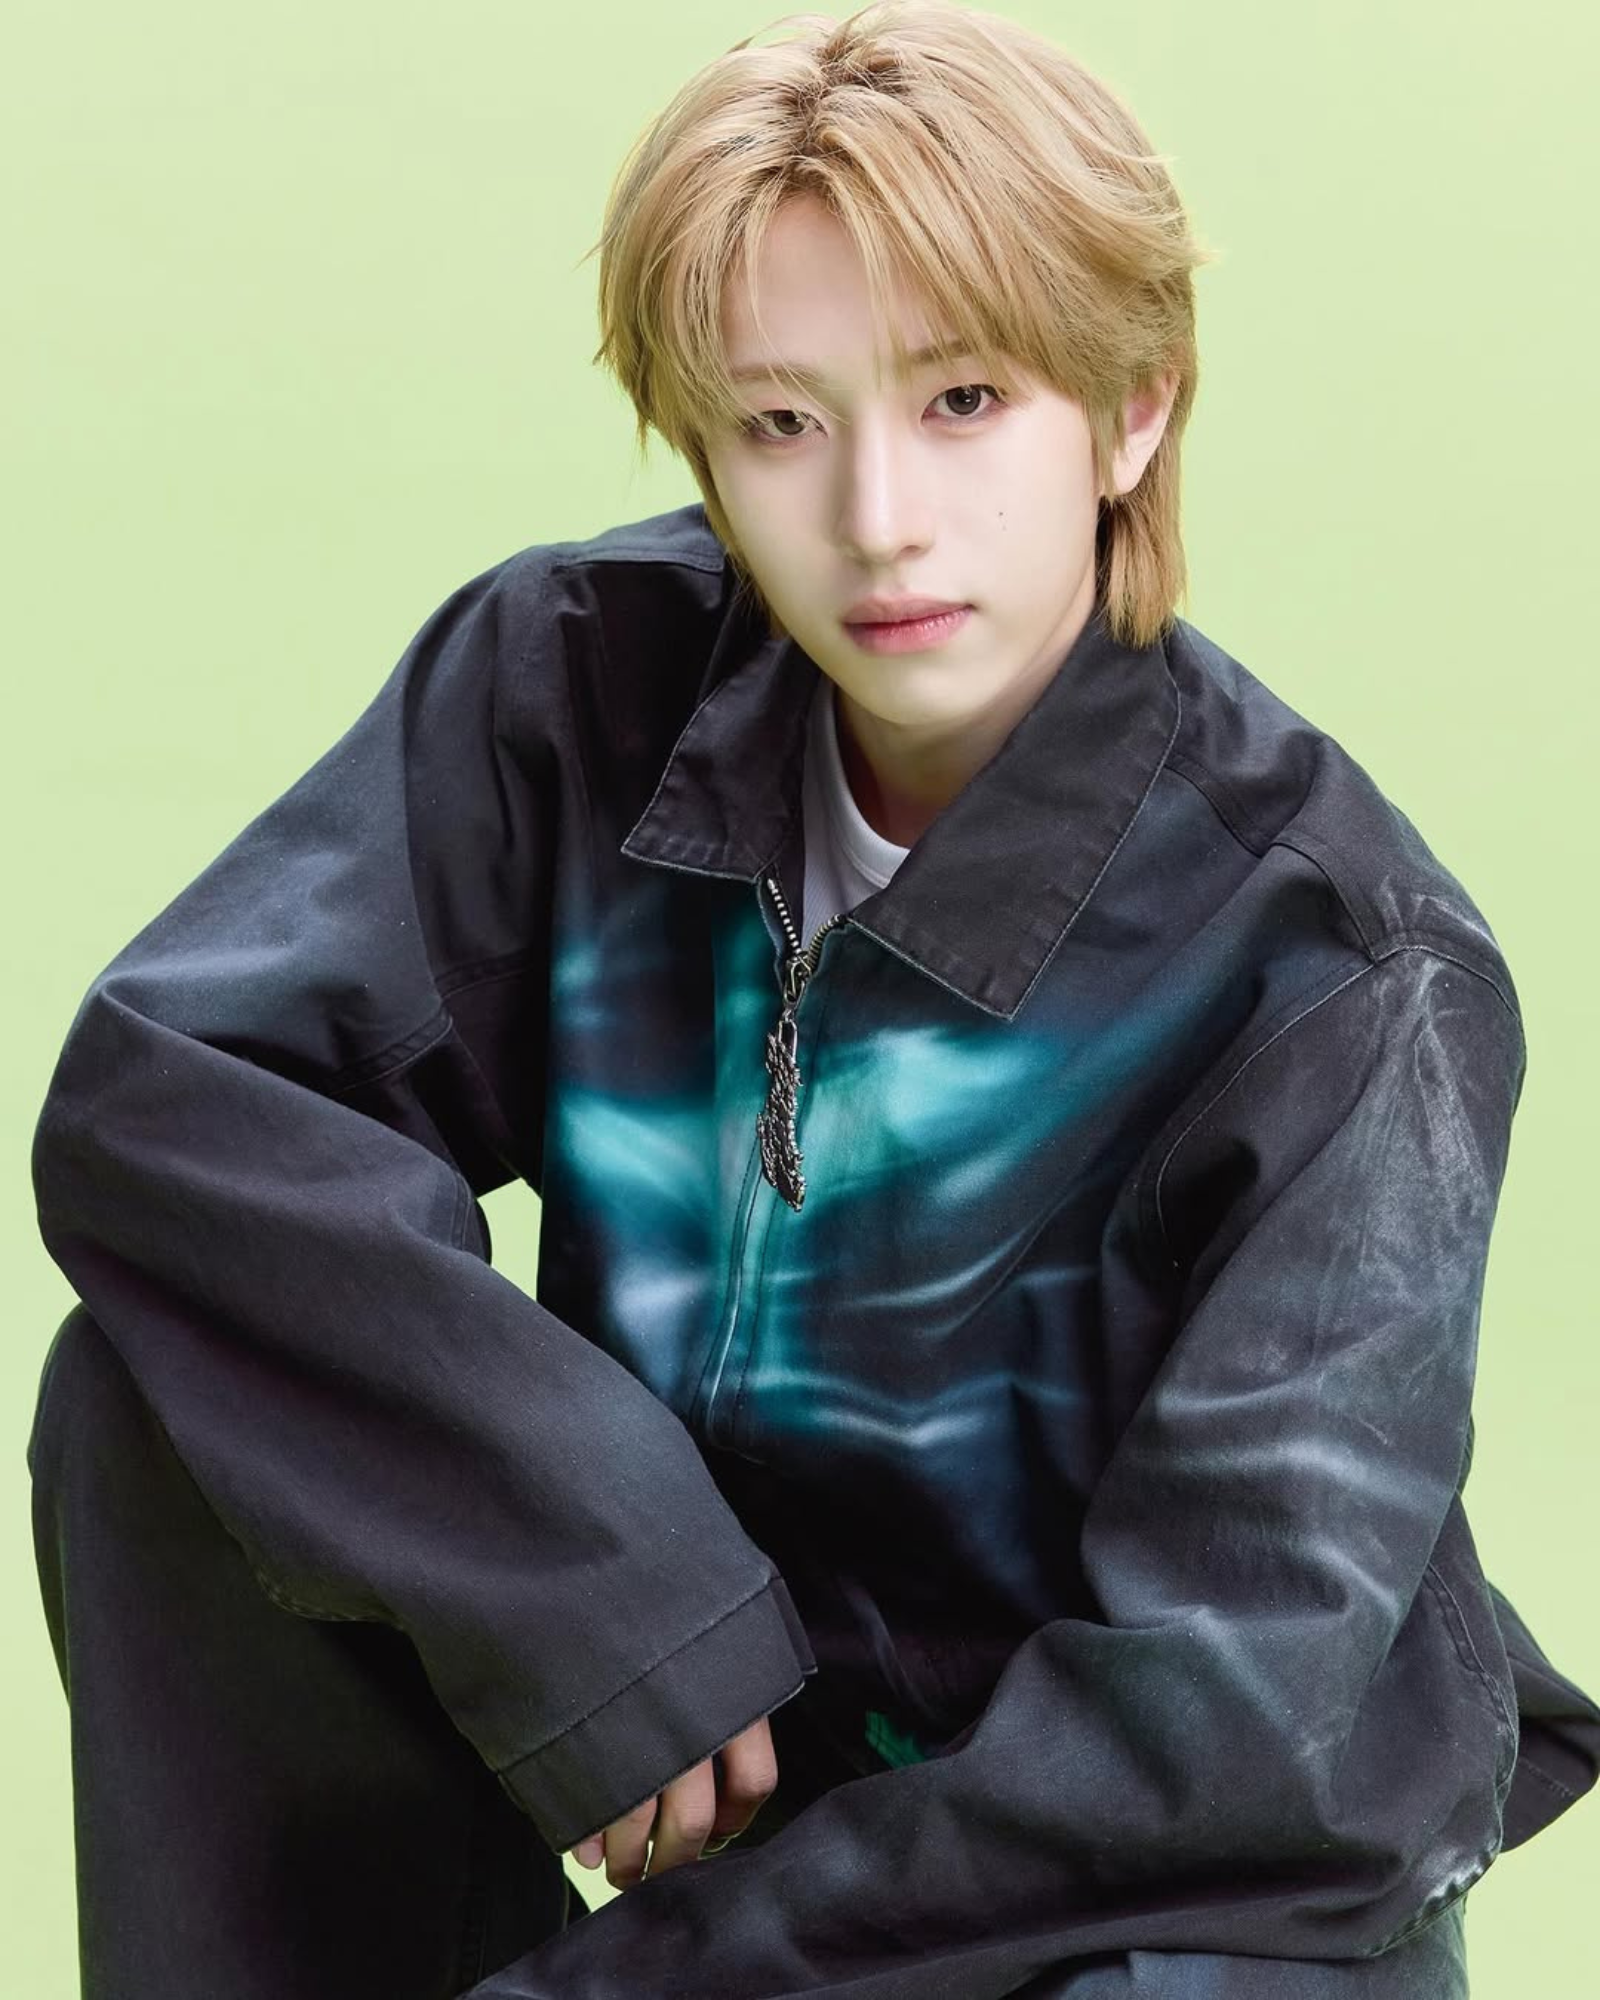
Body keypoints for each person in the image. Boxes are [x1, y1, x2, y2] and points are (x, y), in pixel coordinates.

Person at [27, 3, 1600, 1995]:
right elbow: (169, 1097)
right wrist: (602, 1572)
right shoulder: (572, 693)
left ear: (1129, 415)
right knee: (158, 1403)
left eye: (964, 401)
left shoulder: (1346, 970)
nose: (877, 518)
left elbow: (1212, 1737)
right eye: (781, 422)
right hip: (734, 1760)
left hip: (1155, 1900)